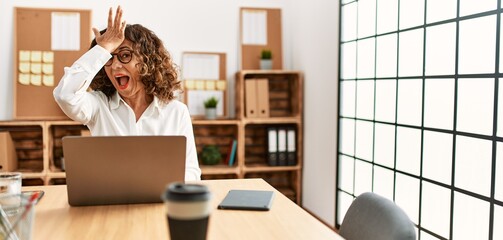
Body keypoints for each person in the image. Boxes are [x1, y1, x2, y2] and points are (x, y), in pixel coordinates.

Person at [53, 6, 201, 181]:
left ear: (147, 61)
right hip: (111, 203)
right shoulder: (98, 106)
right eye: (109, 58)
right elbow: (65, 95)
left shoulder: (176, 112)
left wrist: (158, 182)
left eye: (125, 55)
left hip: (159, 202)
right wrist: (102, 50)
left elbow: (191, 173)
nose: (115, 66)